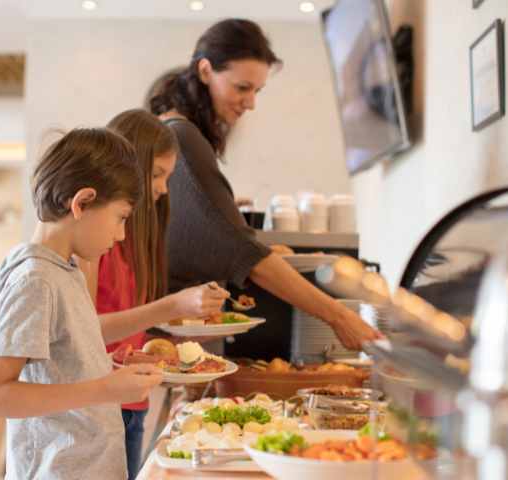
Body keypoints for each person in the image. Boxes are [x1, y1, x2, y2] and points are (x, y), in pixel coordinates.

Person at [150, 18, 379, 355]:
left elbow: (214, 234)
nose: (251, 102)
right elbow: (245, 255)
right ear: (204, 71)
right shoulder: (183, 137)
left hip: (173, 333)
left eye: (257, 91)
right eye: (242, 87)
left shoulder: (176, 131)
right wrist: (340, 317)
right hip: (166, 339)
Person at [0, 127, 164, 480]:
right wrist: (105, 387)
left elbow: (57, 368)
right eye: (121, 217)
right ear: (82, 203)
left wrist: (106, 364)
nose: (121, 234)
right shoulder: (36, 279)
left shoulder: (67, 270)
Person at [79, 109, 229, 480]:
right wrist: (171, 307)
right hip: (98, 406)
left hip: (132, 401)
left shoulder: (135, 239)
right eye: (158, 175)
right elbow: (84, 330)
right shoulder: (96, 240)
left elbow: (130, 329)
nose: (164, 189)